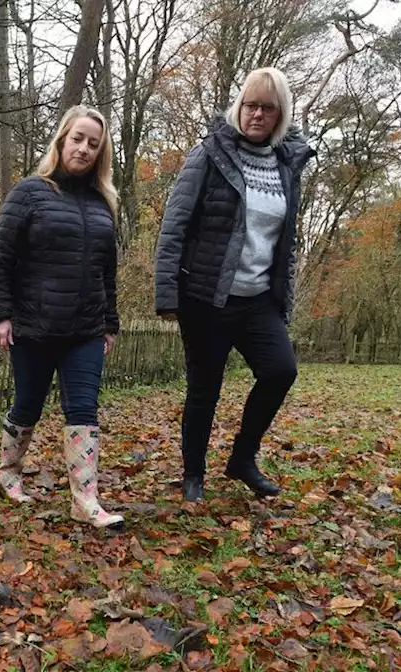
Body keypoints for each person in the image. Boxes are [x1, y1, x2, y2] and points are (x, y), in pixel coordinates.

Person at [153, 67, 316, 502]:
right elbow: (175, 225)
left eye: (267, 107)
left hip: (258, 298)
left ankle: (243, 458)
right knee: (204, 389)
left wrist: (284, 300)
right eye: (250, 105)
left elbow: (287, 242)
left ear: (280, 114)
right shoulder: (210, 153)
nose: (256, 114)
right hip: (205, 295)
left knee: (281, 370)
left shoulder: (287, 164)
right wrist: (168, 294)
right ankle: (193, 475)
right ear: (238, 107)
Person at [0, 105, 124, 529]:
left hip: (85, 329)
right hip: (35, 325)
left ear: (100, 154)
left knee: (83, 409)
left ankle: (85, 501)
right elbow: (1, 257)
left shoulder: (104, 203)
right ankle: (9, 472)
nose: (84, 148)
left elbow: (107, 270)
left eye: (93, 144)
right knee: (28, 405)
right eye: (78, 139)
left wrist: (110, 322)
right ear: (62, 140)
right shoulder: (30, 192)